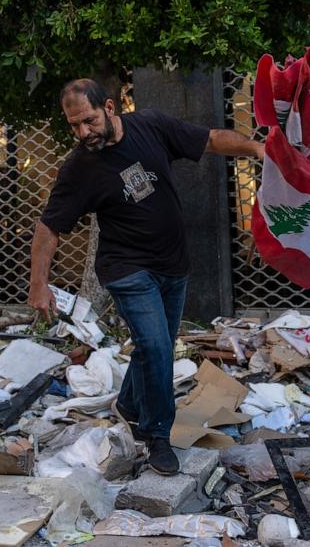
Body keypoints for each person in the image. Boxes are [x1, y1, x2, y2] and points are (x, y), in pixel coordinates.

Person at [28, 78, 264, 475]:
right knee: (157, 347)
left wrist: (256, 149)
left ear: (109, 107)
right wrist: (39, 284)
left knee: (154, 344)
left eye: (88, 121)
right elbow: (48, 228)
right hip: (126, 269)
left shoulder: (151, 126)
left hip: (173, 265)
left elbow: (209, 140)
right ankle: (156, 436)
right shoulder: (79, 168)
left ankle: (130, 404)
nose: (83, 133)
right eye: (74, 126)